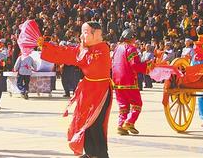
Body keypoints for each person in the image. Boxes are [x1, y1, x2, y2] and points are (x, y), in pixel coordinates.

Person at [39, 21, 112, 158]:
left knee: (95, 124)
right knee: (85, 123)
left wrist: (82, 52)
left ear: (96, 33)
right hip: (88, 89)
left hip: (100, 91)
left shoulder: (103, 48)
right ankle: (90, 153)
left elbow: (92, 66)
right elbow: (66, 53)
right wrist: (46, 46)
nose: (81, 36)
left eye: (85, 32)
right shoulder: (84, 48)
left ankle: (102, 155)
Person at [112, 29, 149, 135]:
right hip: (128, 80)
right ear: (132, 37)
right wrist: (147, 66)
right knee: (137, 103)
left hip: (117, 81)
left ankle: (121, 125)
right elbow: (135, 65)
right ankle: (129, 122)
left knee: (123, 105)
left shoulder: (117, 48)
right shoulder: (131, 48)